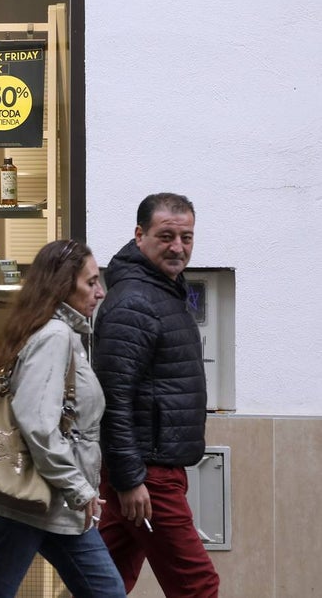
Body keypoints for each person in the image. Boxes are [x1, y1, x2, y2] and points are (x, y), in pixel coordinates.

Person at [0, 239, 123, 598]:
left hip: (54, 501)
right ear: (63, 285)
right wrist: (81, 491)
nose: (100, 292)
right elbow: (37, 421)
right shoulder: (55, 336)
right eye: (91, 282)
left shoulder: (61, 333)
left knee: (107, 592)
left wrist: (77, 491)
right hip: (23, 502)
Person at [92, 193, 219, 596]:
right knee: (197, 585)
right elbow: (113, 397)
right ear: (139, 235)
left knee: (104, 582)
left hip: (151, 470)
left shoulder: (163, 290)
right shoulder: (135, 301)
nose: (178, 247)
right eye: (166, 236)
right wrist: (130, 481)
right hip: (148, 476)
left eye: (187, 237)